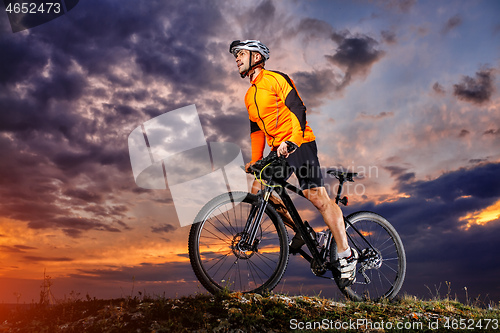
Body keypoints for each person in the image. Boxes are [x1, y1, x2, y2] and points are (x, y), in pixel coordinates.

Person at [229, 40, 358, 287]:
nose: (236, 58)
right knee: (260, 192)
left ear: (256, 57)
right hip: (278, 151)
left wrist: (293, 140)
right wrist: (256, 160)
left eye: (241, 53)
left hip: (300, 143)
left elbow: (298, 108)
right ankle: (305, 233)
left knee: (318, 199)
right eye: (236, 55)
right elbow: (256, 130)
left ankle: (346, 254)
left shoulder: (275, 79)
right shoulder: (249, 96)